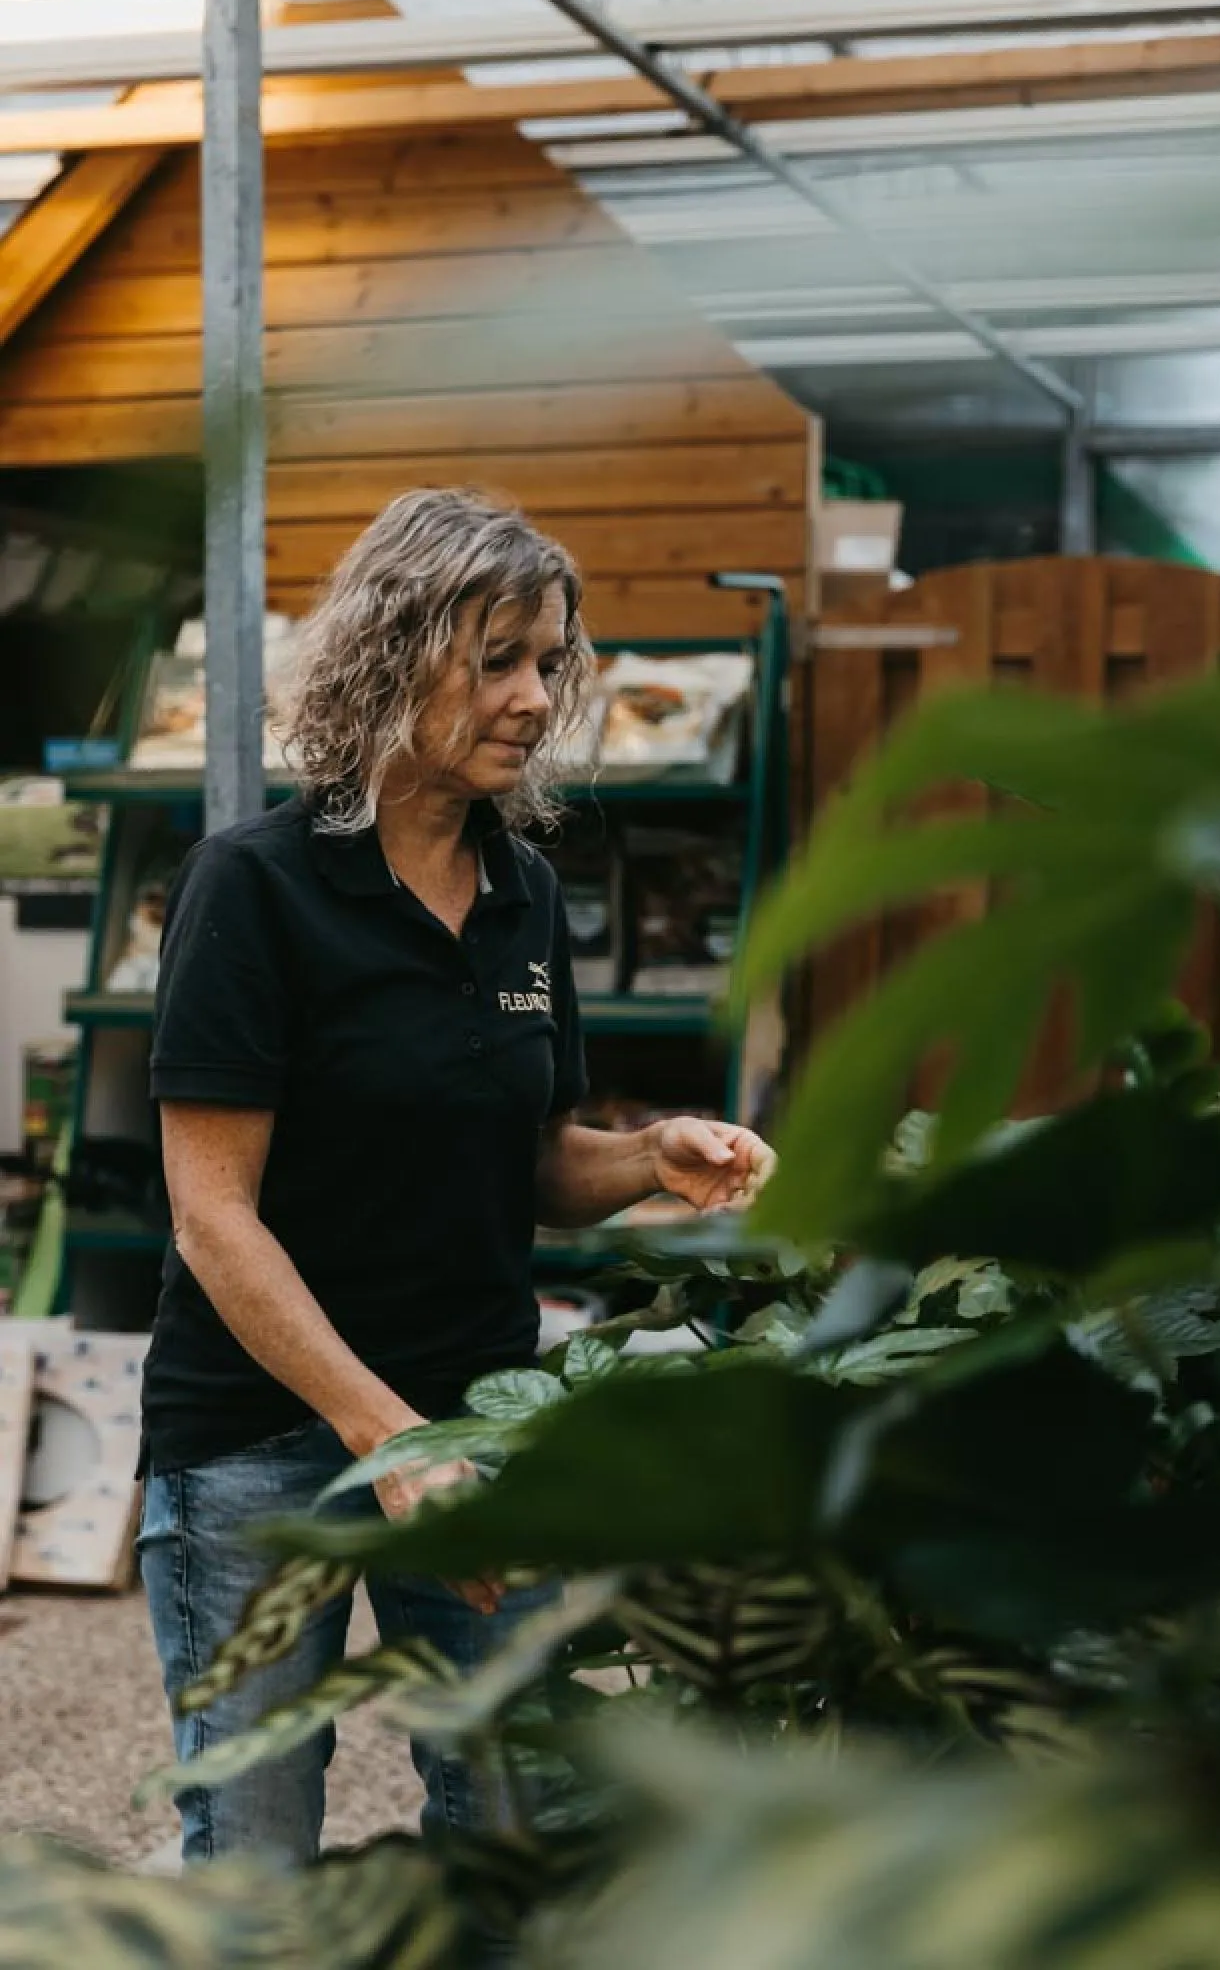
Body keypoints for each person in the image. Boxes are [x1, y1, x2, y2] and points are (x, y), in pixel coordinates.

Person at [137, 488, 777, 1866]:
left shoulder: (522, 896)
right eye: (497, 659)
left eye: (549, 662)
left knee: (520, 1829)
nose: (536, 698)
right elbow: (212, 1216)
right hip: (260, 1442)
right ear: (391, 651)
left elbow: (534, 1163)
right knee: (252, 1850)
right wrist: (386, 1441)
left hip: (474, 1421)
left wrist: (651, 1155)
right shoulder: (253, 889)